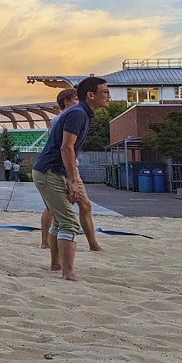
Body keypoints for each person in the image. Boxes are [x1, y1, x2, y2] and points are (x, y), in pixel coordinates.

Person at [32, 77, 109, 281]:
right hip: (50, 172)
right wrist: (73, 180)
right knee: (68, 222)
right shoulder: (77, 114)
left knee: (63, 218)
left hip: (53, 171)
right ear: (91, 95)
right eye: (105, 92)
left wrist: (70, 177)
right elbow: (66, 148)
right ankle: (68, 272)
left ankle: (57, 265)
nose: (108, 96)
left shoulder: (81, 114)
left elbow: (68, 149)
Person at [40, 88, 102, 252]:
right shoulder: (64, 118)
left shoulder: (79, 115)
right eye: (76, 99)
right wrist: (70, 177)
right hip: (58, 169)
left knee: (85, 204)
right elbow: (64, 147)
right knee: (54, 210)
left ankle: (93, 243)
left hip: (69, 168)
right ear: (67, 101)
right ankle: (46, 242)